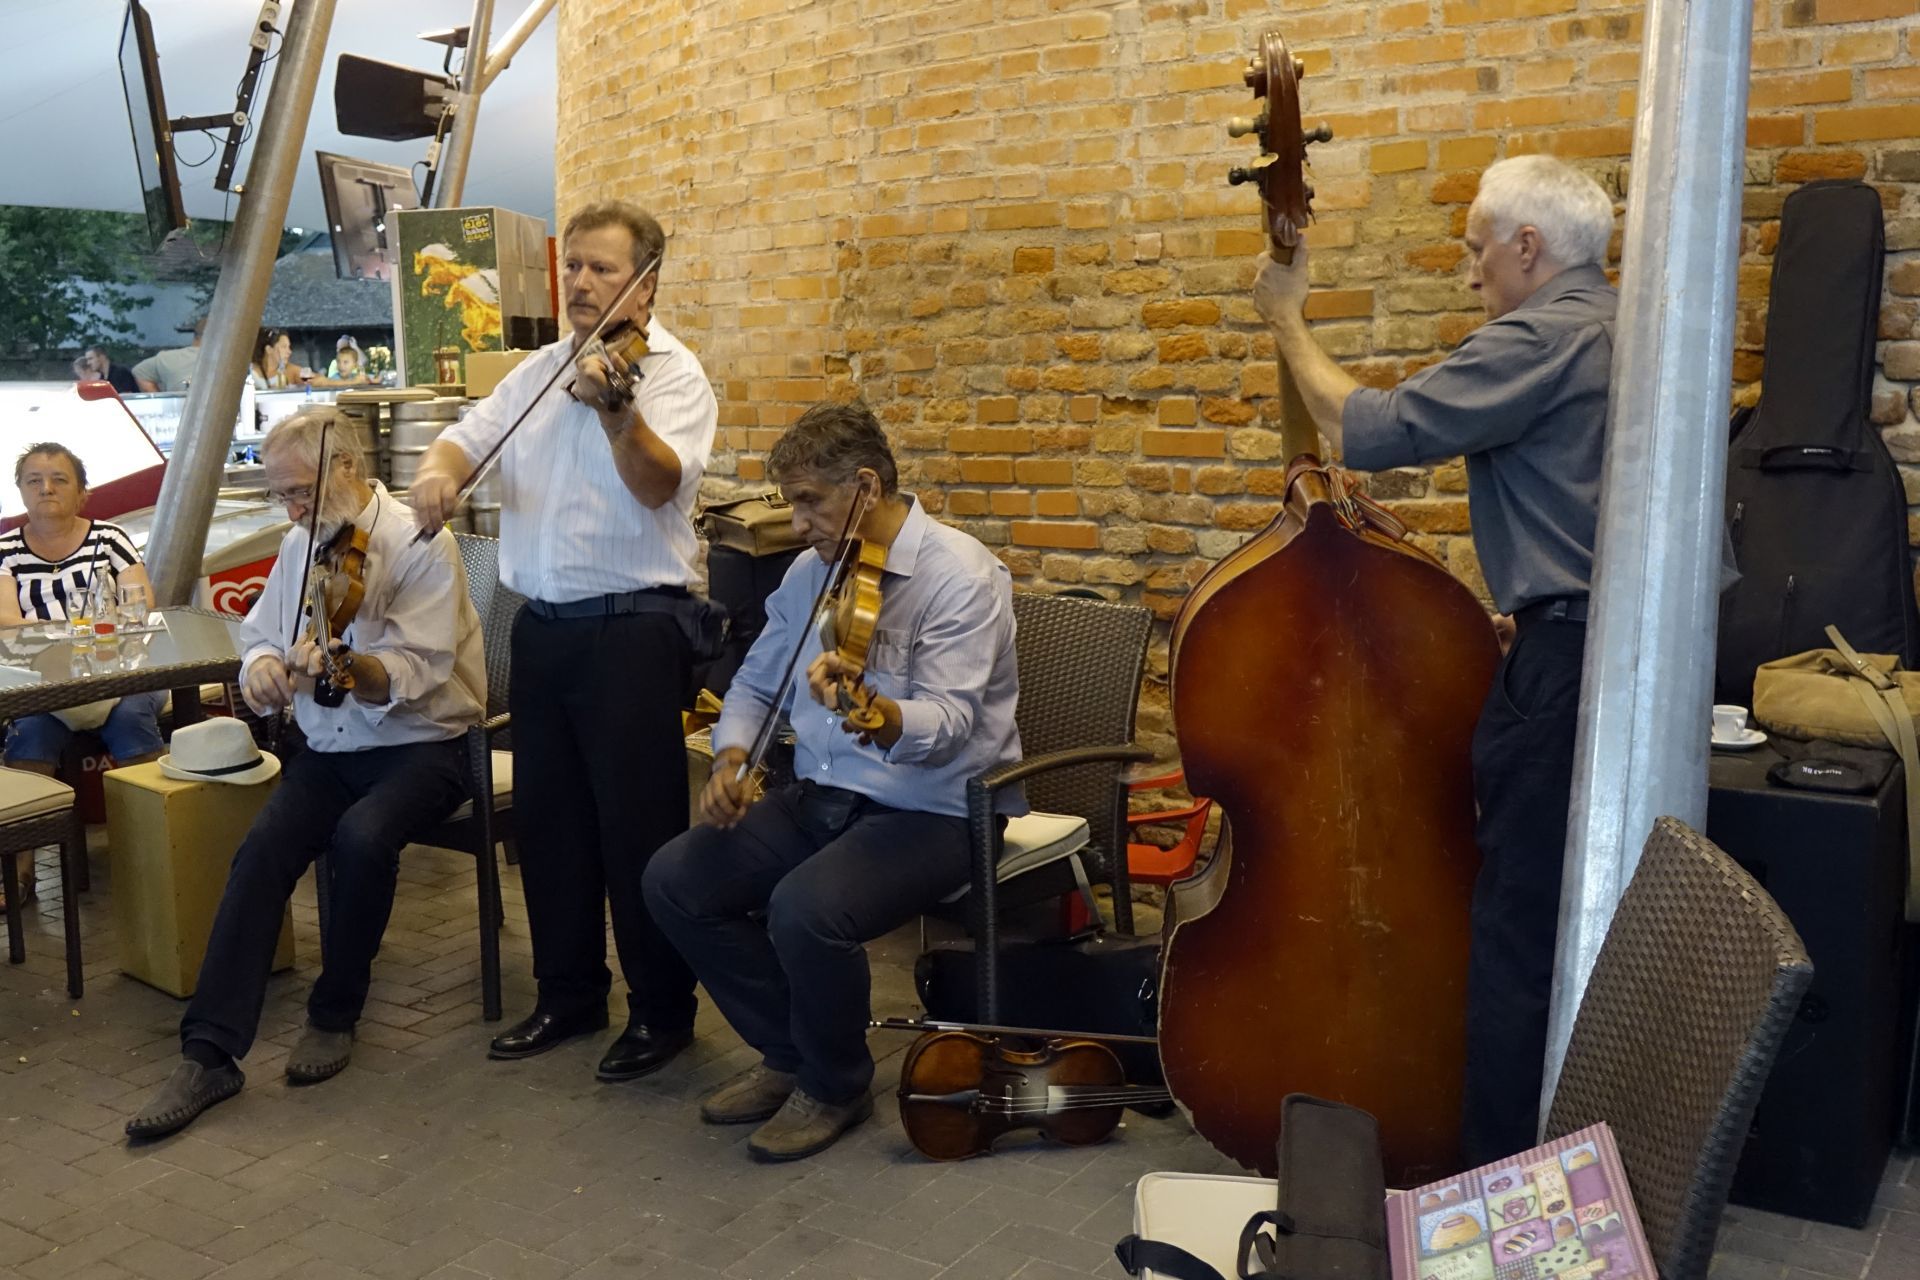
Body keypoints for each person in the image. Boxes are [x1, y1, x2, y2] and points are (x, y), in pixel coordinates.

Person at [1251, 153, 1617, 1165]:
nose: (1470, 272)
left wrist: (1287, 318)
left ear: (1528, 247)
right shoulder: (1629, 325)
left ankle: (1497, 1194)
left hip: (1571, 660)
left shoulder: (1544, 334)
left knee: (1516, 940)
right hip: (1614, 651)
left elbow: (1374, 427)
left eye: (1477, 249)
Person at [643, 402, 1024, 1161]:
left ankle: (836, 1082)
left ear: (865, 485)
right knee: (676, 879)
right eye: (792, 502)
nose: (797, 522)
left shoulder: (961, 575)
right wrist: (732, 759)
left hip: (935, 810)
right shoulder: (810, 573)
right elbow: (757, 682)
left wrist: (875, 713)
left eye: (809, 501)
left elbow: (950, 723)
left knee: (804, 909)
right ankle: (791, 1052)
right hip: (820, 794)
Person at [412, 201, 719, 1081]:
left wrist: (617, 414)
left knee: (638, 830)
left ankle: (662, 1011)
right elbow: (464, 442)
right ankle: (570, 992)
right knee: (551, 827)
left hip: (633, 632)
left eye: (602, 269)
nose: (580, 283)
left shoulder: (673, 377)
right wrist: (437, 474)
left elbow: (658, 486)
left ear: (645, 284)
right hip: (541, 627)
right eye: (572, 266)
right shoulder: (538, 371)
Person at [124, 405, 485, 1140]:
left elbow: (415, 671)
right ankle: (209, 1053)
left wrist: (350, 668)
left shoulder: (422, 542)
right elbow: (261, 633)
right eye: (281, 495)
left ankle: (335, 1012)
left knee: (363, 837)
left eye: (300, 492)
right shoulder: (301, 543)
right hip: (329, 751)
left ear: (347, 467)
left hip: (423, 746)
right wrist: (261, 668)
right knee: (260, 852)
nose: (291, 511)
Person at [0, 443, 165, 907]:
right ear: (20, 491)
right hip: (45, 687)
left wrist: (46, 630)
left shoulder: (109, 539)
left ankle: (157, 854)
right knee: (30, 730)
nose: (46, 488)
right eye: (34, 480)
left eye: (59, 479)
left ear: (82, 492)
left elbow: (138, 605)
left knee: (130, 717)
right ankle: (18, 870)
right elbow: (4, 620)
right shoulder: (6, 550)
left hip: (122, 676)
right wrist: (82, 629)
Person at [133, 316, 205, 393]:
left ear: (195, 336)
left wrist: (160, 398)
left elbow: (139, 372)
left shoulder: (167, 359)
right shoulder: (215, 361)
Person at [72, 346, 141, 394]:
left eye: (90, 359)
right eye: (87, 360)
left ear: (102, 357)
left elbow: (127, 395)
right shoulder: (102, 377)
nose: (88, 363)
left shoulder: (120, 372)